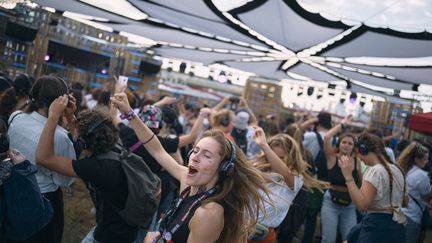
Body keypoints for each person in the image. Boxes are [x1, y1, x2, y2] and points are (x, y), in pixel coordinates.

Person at [110, 93, 270, 243]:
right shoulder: (188, 183)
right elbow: (157, 150)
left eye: (207, 155)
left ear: (224, 168)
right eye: (195, 150)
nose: (195, 157)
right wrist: (130, 113)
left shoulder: (208, 213)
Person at [36, 96, 139, 243]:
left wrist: (53, 117)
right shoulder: (112, 148)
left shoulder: (96, 168)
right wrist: (71, 116)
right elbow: (82, 139)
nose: (73, 131)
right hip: (123, 228)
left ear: (85, 142)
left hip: (111, 236)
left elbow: (43, 158)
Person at [7, 75, 75, 243]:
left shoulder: (16, 117)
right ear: (62, 101)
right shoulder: (60, 137)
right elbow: (65, 180)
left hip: (12, 188)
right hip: (43, 200)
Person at [252, 128, 327, 243]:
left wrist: (264, 145)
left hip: (263, 237)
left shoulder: (295, 179)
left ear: (291, 157)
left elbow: (284, 173)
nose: (275, 161)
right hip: (239, 229)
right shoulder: (256, 169)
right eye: (272, 156)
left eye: (281, 158)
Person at [339, 132, 407, 243]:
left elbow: (362, 205)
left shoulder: (375, 171)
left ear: (364, 150)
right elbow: (405, 202)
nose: (359, 158)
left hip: (376, 228)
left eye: (358, 153)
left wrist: (348, 176)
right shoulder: (398, 170)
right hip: (397, 227)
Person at [321, 115, 362, 243]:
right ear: (339, 143)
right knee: (329, 239)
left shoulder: (357, 162)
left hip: (349, 205)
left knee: (350, 239)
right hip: (330, 202)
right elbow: (327, 137)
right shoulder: (332, 157)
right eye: (344, 142)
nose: (346, 145)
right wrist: (342, 125)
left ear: (353, 147)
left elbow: (360, 184)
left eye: (350, 143)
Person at [398, 142, 431, 243]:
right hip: (411, 217)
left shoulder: (402, 168)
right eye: (425, 159)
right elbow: (427, 197)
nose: (427, 161)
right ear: (416, 159)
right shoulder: (421, 175)